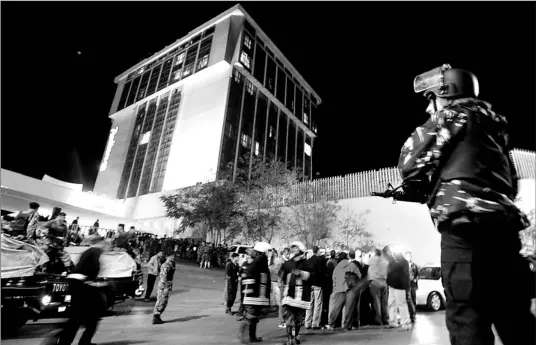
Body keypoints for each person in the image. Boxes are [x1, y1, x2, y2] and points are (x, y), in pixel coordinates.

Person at [392, 64, 535, 345]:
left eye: (430, 98)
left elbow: (409, 161)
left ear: (445, 94)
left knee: (468, 321)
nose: (427, 108)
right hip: (506, 235)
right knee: (516, 322)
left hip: (465, 235)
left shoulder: (451, 116)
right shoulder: (496, 130)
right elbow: (510, 184)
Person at [56, 236, 110, 345]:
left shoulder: (88, 251)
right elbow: (93, 268)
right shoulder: (95, 251)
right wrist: (95, 282)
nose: (107, 247)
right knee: (86, 317)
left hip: (77, 284)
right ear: (100, 243)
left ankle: (68, 341)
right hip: (83, 286)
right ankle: (81, 342)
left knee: (80, 317)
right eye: (106, 244)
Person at [280, 241, 315, 345]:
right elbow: (282, 276)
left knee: (299, 318)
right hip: (289, 294)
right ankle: (289, 338)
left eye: (295, 247)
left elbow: (312, 277)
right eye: (292, 247)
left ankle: (295, 337)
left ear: (300, 249)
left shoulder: (307, 263)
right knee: (289, 317)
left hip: (302, 294)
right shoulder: (288, 263)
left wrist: (301, 273)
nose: (293, 249)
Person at [237, 242, 271, 344]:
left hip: (257, 294)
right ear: (263, 251)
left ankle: (252, 337)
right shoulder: (259, 261)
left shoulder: (260, 261)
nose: (269, 253)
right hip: (254, 294)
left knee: (254, 317)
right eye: (268, 251)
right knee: (250, 316)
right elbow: (249, 273)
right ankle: (244, 336)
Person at [326, 252, 361, 331]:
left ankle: (331, 325)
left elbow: (333, 279)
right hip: (350, 289)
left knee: (336, 308)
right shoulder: (352, 265)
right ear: (347, 258)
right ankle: (347, 326)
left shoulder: (337, 267)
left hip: (339, 289)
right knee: (349, 309)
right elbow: (359, 275)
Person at [386, 248, 411, 330]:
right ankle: (392, 321)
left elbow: (406, 275)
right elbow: (389, 272)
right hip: (392, 285)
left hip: (400, 286)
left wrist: (407, 287)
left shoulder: (404, 262)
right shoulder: (392, 262)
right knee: (391, 303)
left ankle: (406, 323)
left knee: (401, 304)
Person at [304, 246, 325, 330]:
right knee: (318, 304)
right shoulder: (319, 261)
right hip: (317, 284)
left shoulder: (307, 261)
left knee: (309, 304)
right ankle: (315, 323)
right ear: (318, 251)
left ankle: (307, 322)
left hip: (309, 285)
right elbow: (321, 273)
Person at [153, 252, 176, 324]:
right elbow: (163, 277)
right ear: (167, 257)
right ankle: (156, 316)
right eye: (171, 256)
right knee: (161, 301)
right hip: (164, 286)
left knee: (164, 301)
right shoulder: (165, 265)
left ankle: (157, 316)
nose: (173, 257)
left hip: (167, 285)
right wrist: (164, 286)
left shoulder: (171, 264)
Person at [367, 248, 389, 325]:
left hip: (375, 282)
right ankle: (385, 318)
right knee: (384, 302)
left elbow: (366, 263)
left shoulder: (372, 259)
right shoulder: (385, 261)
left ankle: (378, 319)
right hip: (384, 282)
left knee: (376, 302)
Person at [405, 251, 419, 323]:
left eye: (409, 256)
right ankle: (409, 313)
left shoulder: (414, 265)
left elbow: (417, 274)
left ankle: (413, 314)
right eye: (406, 256)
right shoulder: (404, 265)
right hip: (407, 284)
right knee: (408, 299)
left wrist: (415, 280)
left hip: (412, 284)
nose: (408, 257)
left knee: (413, 298)